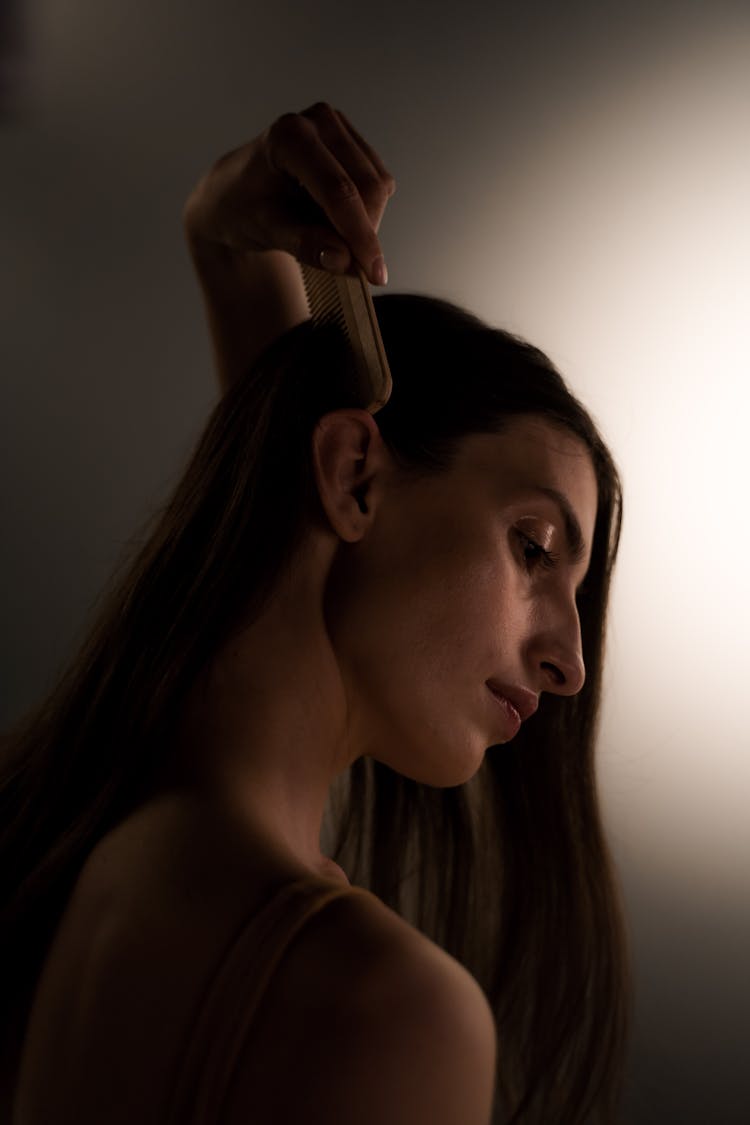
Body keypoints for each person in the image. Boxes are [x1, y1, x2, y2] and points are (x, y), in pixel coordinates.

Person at [1, 103, 630, 1124]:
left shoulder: (89, 852)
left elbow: (284, 482)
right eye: (533, 548)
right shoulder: (385, 1009)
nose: (570, 664)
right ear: (354, 482)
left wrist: (218, 232)